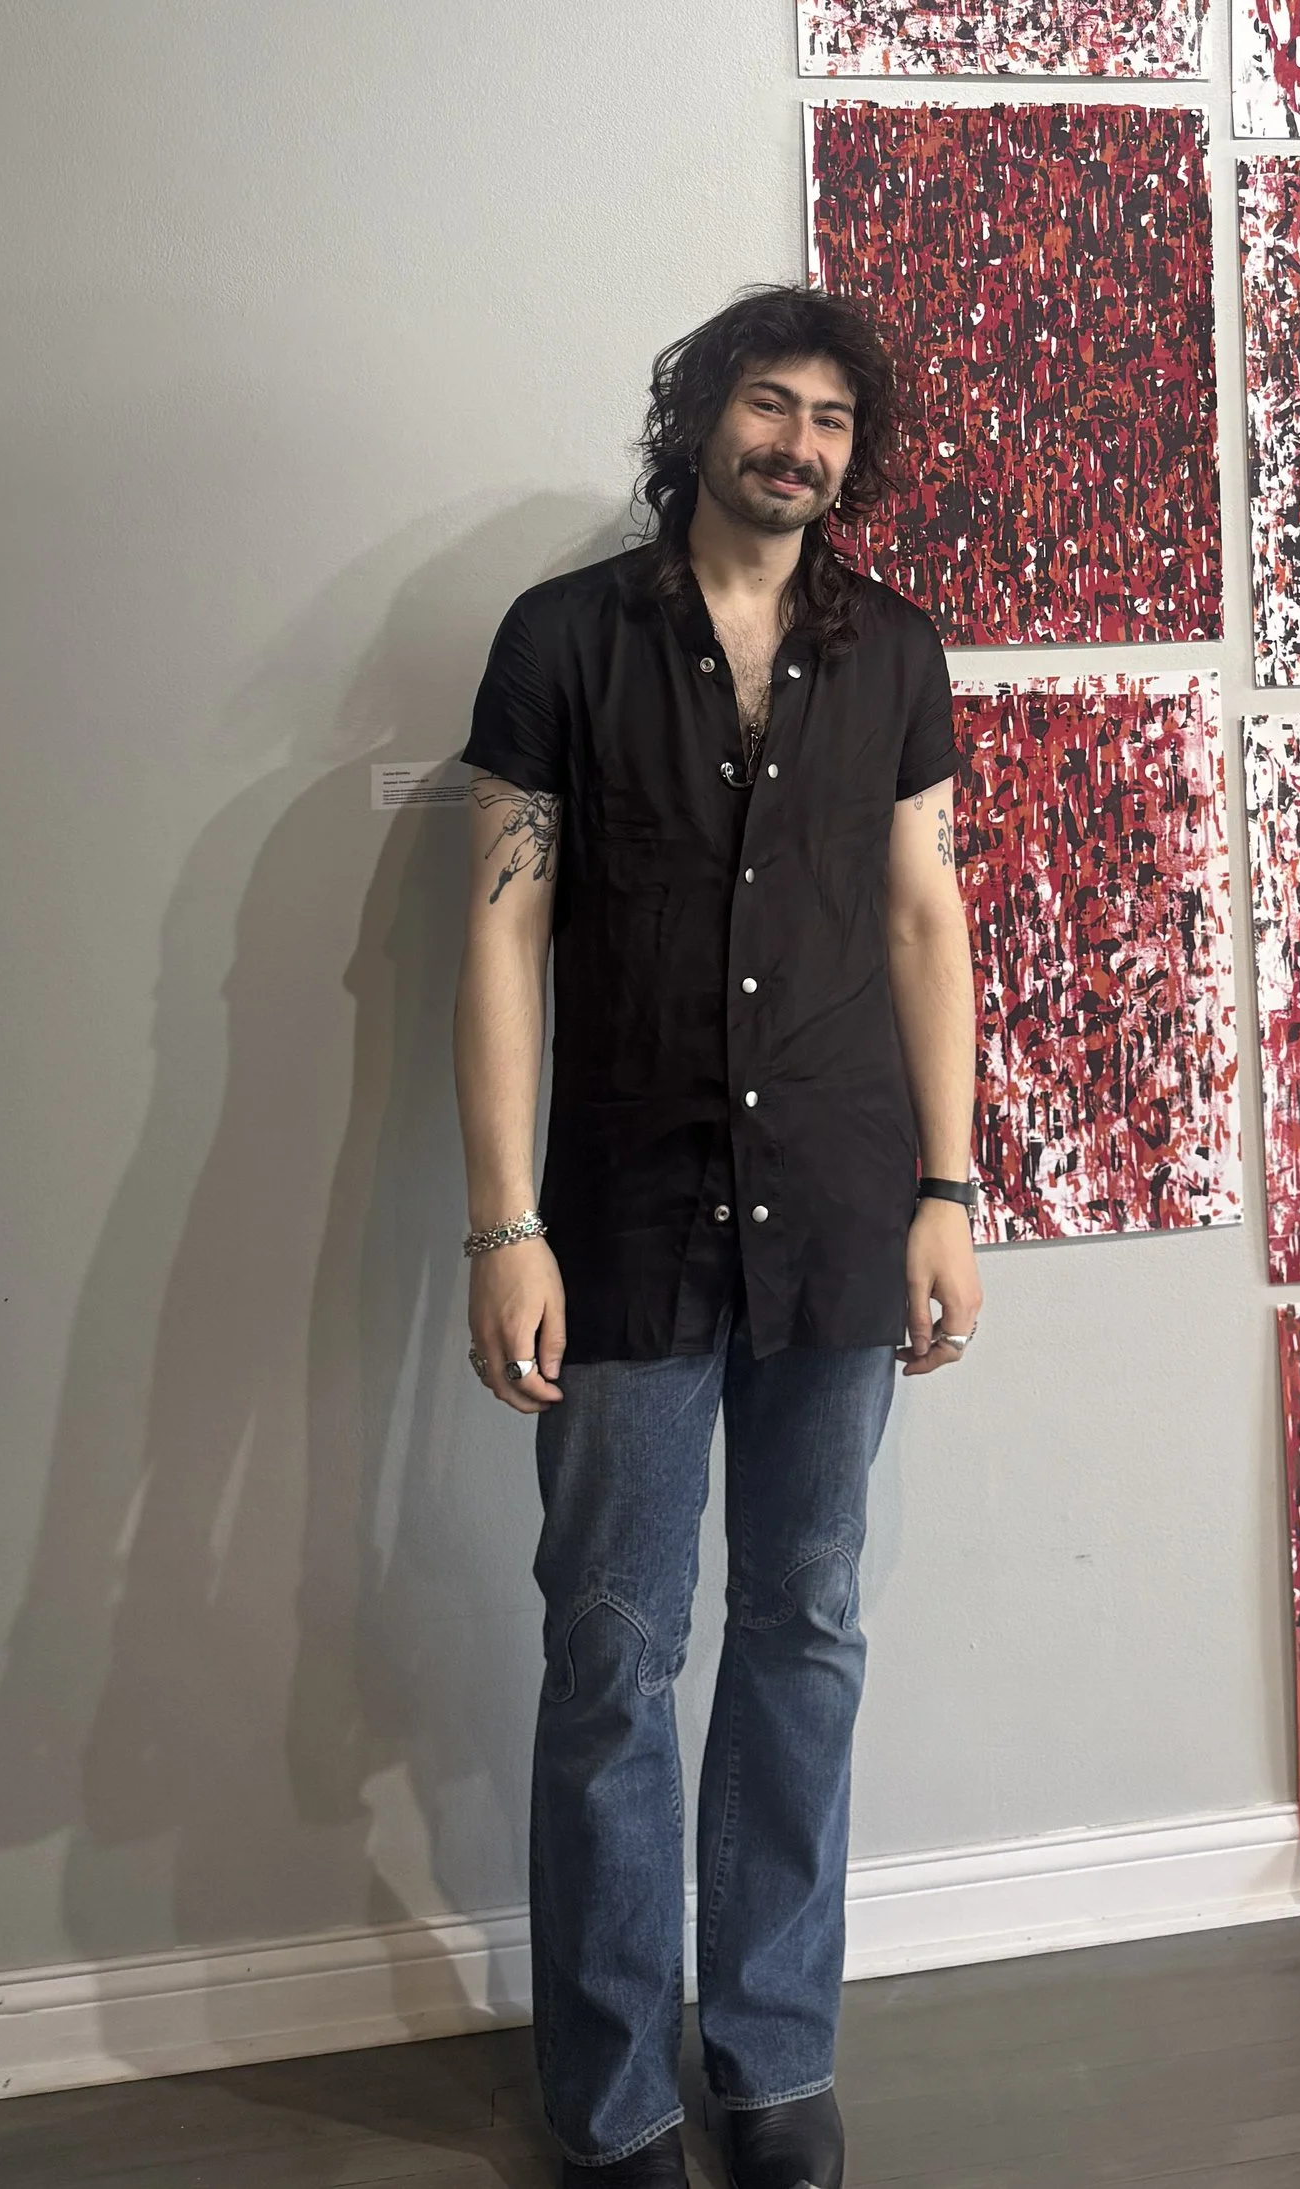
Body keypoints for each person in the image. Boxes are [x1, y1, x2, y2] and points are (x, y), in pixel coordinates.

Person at [452, 285, 981, 2189]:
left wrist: (950, 1187)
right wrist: (502, 1220)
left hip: (843, 1216)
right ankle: (614, 2098)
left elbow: (926, 922)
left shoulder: (897, 653)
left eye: (836, 421)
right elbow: (502, 931)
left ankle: (769, 2056)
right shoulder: (563, 642)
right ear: (700, 418)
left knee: (807, 1631)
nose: (803, 445)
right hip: (623, 1217)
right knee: (610, 1650)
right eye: (773, 404)